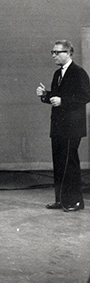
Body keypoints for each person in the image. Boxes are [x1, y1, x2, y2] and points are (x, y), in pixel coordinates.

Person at [36, 40, 90, 212]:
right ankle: (60, 200)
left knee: (69, 164)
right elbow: (57, 98)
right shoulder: (57, 74)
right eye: (52, 52)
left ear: (68, 53)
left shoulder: (78, 73)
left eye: (57, 52)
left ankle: (75, 202)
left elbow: (85, 97)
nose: (53, 55)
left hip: (72, 127)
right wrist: (45, 95)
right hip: (59, 127)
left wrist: (62, 101)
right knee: (59, 164)